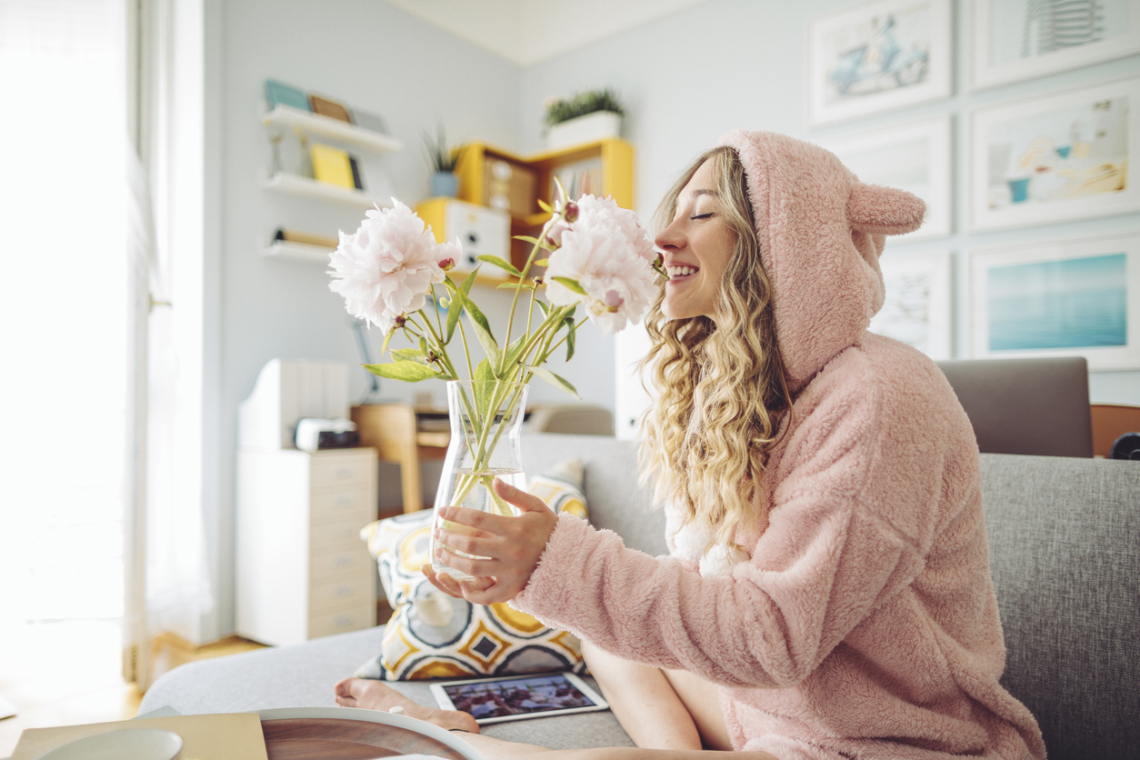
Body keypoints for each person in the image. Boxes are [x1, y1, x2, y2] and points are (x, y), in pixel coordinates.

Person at [335, 131, 1047, 760]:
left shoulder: (880, 398)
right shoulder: (736, 386)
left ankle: (452, 740)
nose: (659, 238)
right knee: (604, 635)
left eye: (701, 213)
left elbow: (771, 637)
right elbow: (702, 598)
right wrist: (562, 574)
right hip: (773, 705)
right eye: (671, 212)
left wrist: (559, 557)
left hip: (886, 738)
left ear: (782, 240)